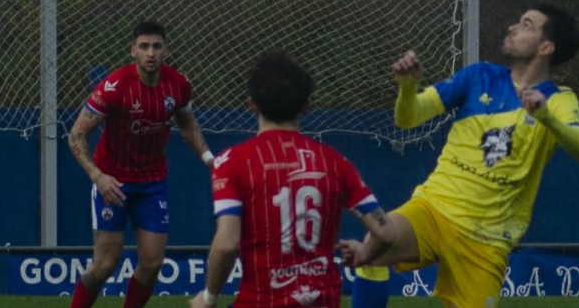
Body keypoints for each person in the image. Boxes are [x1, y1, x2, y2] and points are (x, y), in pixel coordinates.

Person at [341, 3, 579, 308]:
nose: (512, 28)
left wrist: (547, 118)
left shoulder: (558, 99)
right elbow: (408, 118)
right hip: (433, 208)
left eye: (526, 25)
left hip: (486, 238)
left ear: (546, 46)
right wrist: (408, 89)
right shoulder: (479, 76)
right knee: (375, 244)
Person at [190, 51, 395, 308]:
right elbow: (386, 233)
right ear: (305, 106)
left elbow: (227, 243)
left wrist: (208, 298)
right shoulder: (335, 161)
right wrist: (365, 253)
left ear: (252, 104)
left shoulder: (231, 162)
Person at [68, 20, 215, 308]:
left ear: (166, 51)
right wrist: (98, 177)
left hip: (152, 183)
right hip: (113, 183)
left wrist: (210, 159)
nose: (151, 53)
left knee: (152, 263)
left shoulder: (179, 84)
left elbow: (188, 126)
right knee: (105, 265)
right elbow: (76, 135)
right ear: (132, 50)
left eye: (157, 46)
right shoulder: (114, 86)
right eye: (144, 46)